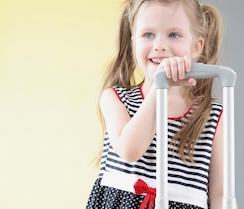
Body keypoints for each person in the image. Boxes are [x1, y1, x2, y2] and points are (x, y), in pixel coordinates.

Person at [86, 0, 229, 208]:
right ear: (134, 42)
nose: (160, 45)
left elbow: (219, 194)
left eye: (173, 35)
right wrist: (161, 87)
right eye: (148, 35)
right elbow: (131, 150)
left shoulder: (211, 116)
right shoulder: (115, 98)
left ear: (197, 46)